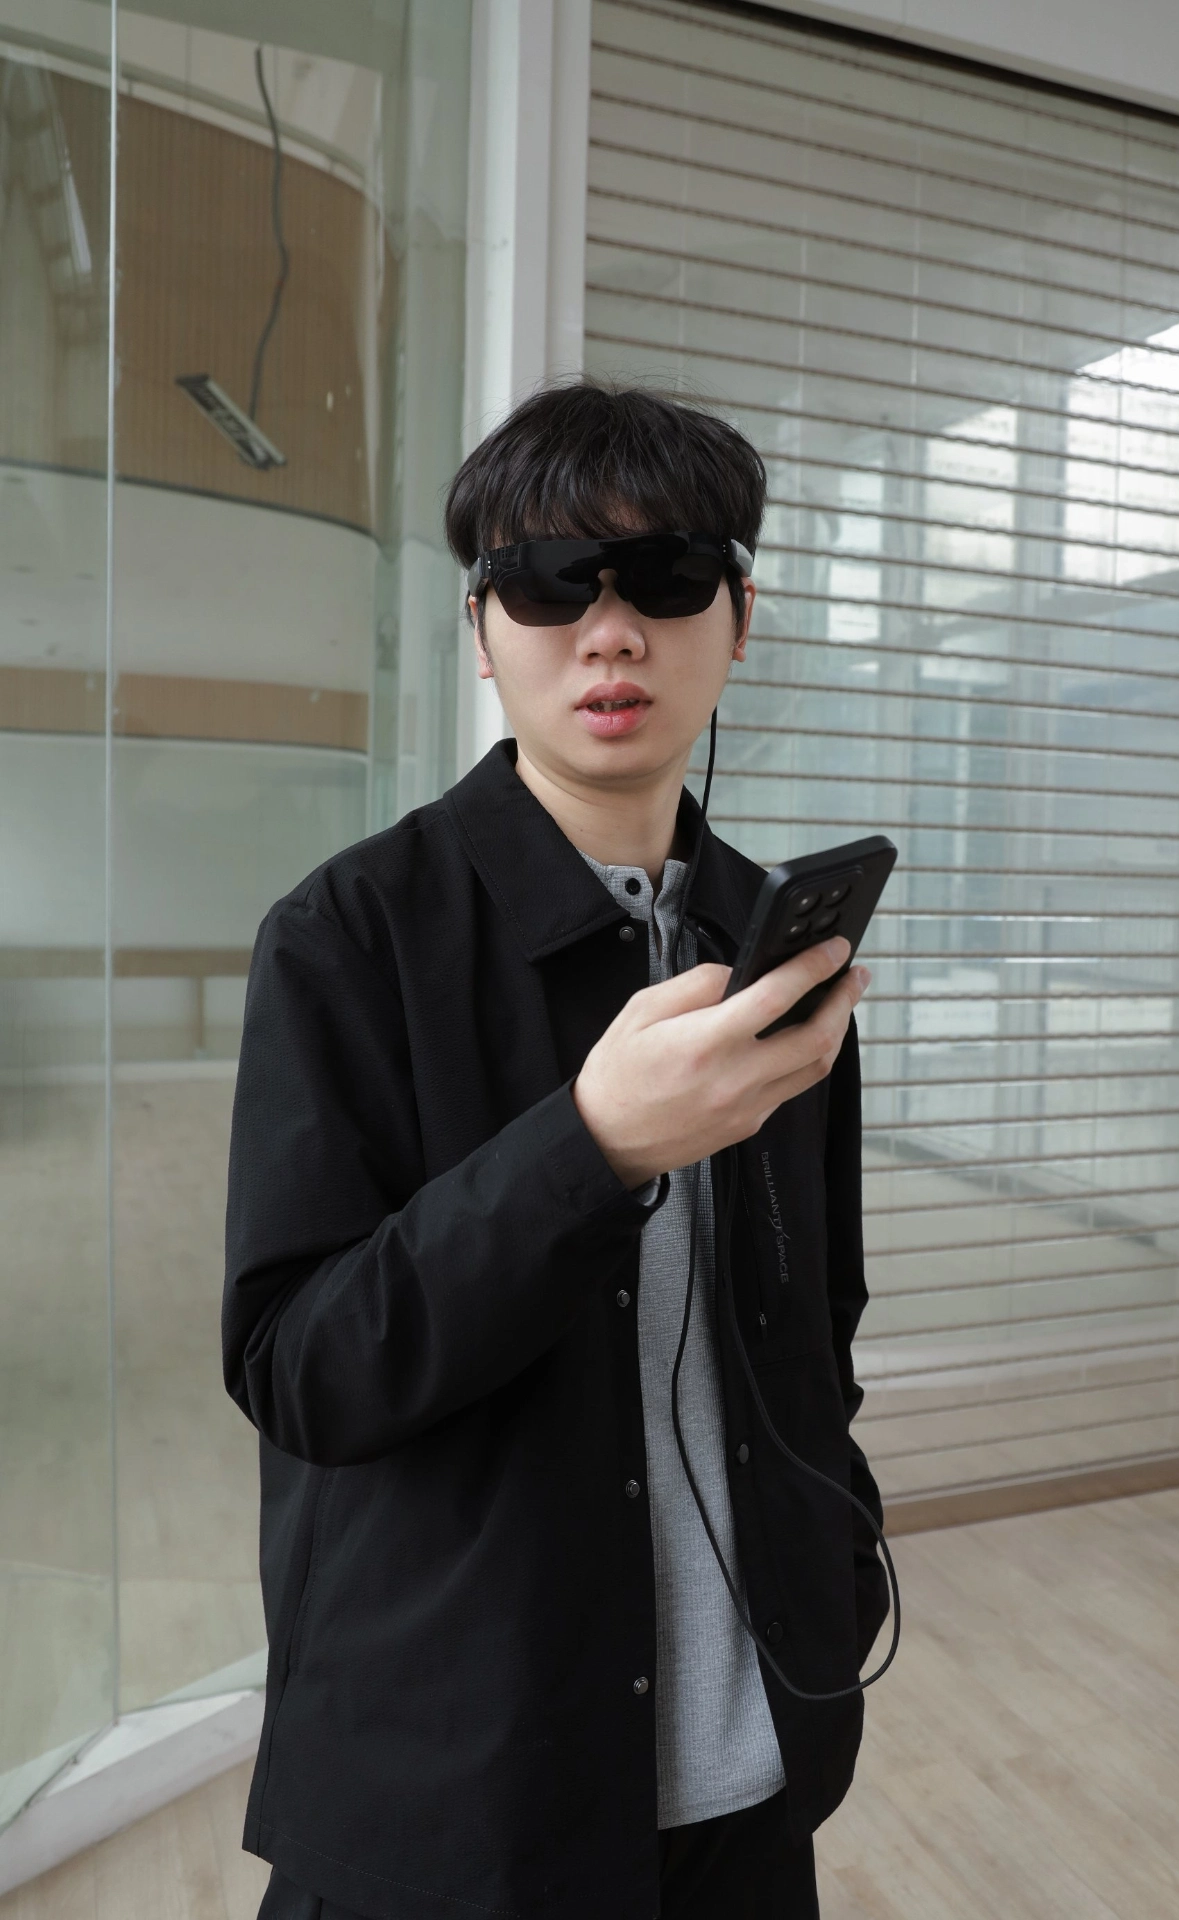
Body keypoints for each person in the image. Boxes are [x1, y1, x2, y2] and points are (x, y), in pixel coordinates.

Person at [223, 381, 890, 1920]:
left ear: (738, 616)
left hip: (750, 1768)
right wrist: (590, 1149)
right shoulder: (346, 937)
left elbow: (820, 1326)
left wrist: (832, 1561)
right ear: (480, 629)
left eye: (664, 578)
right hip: (456, 1790)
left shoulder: (770, 939)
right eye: (544, 584)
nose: (609, 633)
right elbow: (300, 1369)